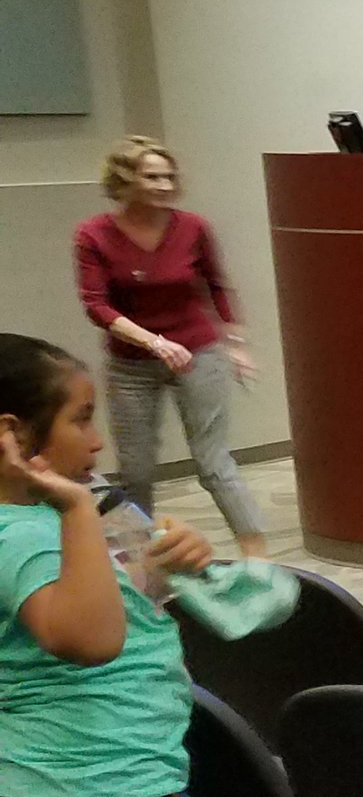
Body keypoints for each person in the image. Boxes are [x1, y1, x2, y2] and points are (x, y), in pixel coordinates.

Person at [0, 334, 223, 797]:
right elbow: (93, 639)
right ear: (15, 435)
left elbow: (136, 596)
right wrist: (74, 507)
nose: (98, 441)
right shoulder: (28, 533)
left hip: (44, 790)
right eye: (81, 421)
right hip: (110, 795)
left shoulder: (49, 519)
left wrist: (178, 559)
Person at [71, 137, 266, 557]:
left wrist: (236, 343)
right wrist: (153, 342)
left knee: (213, 462)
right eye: (151, 176)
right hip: (132, 362)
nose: (163, 185)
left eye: (168, 177)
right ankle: (142, 562)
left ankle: (257, 556)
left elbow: (216, 286)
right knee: (137, 471)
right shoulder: (94, 234)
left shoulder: (193, 227)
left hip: (197, 351)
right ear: (126, 180)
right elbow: (96, 305)